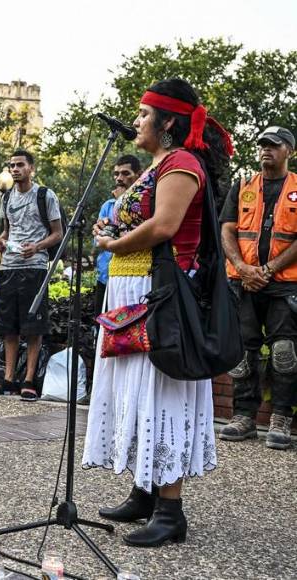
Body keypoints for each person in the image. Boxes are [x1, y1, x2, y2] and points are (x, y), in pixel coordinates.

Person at [84, 78, 232, 547]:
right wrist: (111, 225)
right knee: (137, 392)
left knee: (160, 393)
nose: (137, 121)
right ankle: (145, 490)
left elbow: (165, 226)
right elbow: (143, 219)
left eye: (145, 114)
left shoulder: (183, 164)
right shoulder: (159, 165)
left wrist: (111, 242)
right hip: (134, 288)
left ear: (168, 122)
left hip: (160, 294)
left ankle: (171, 511)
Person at [219, 126, 297, 450]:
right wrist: (242, 267)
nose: (266, 150)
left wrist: (267, 270)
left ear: (289, 151)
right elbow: (227, 229)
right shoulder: (243, 185)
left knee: (284, 352)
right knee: (243, 353)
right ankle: (244, 416)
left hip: (284, 283)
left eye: (274, 145)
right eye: (263, 145)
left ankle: (280, 417)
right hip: (244, 280)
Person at [0, 150, 63, 400]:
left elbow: (58, 233)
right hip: (8, 267)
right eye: (12, 166)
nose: (15, 169)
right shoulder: (7, 197)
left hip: (35, 267)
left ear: (31, 168)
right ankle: (8, 379)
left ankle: (28, 380)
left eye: (20, 165)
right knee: (8, 327)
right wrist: (0, 241)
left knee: (33, 327)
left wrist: (37, 247)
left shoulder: (44, 195)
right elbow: (7, 231)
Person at [96, 155, 141, 315]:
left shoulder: (145, 204)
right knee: (102, 329)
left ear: (139, 174)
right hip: (105, 276)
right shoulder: (107, 206)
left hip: (132, 278)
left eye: (125, 173)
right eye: (116, 174)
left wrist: (122, 200)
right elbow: (99, 240)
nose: (119, 178)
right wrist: (99, 230)